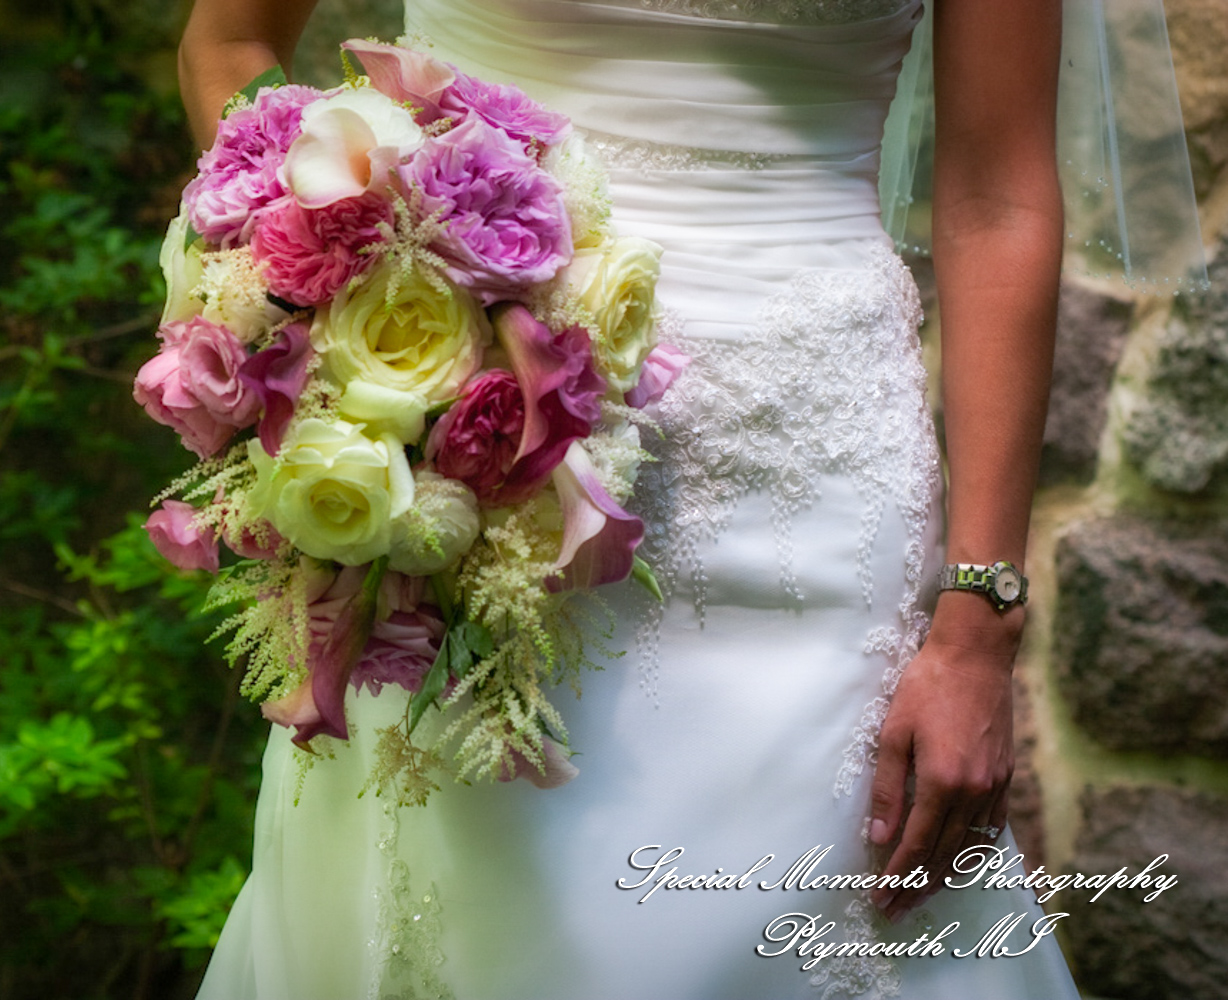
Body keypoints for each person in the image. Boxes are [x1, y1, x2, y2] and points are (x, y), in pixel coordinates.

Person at [178, 0, 1083, 996]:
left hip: (803, 490)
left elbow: (998, 196)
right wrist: (326, 272)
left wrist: (979, 626)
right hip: (443, 453)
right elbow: (227, 42)